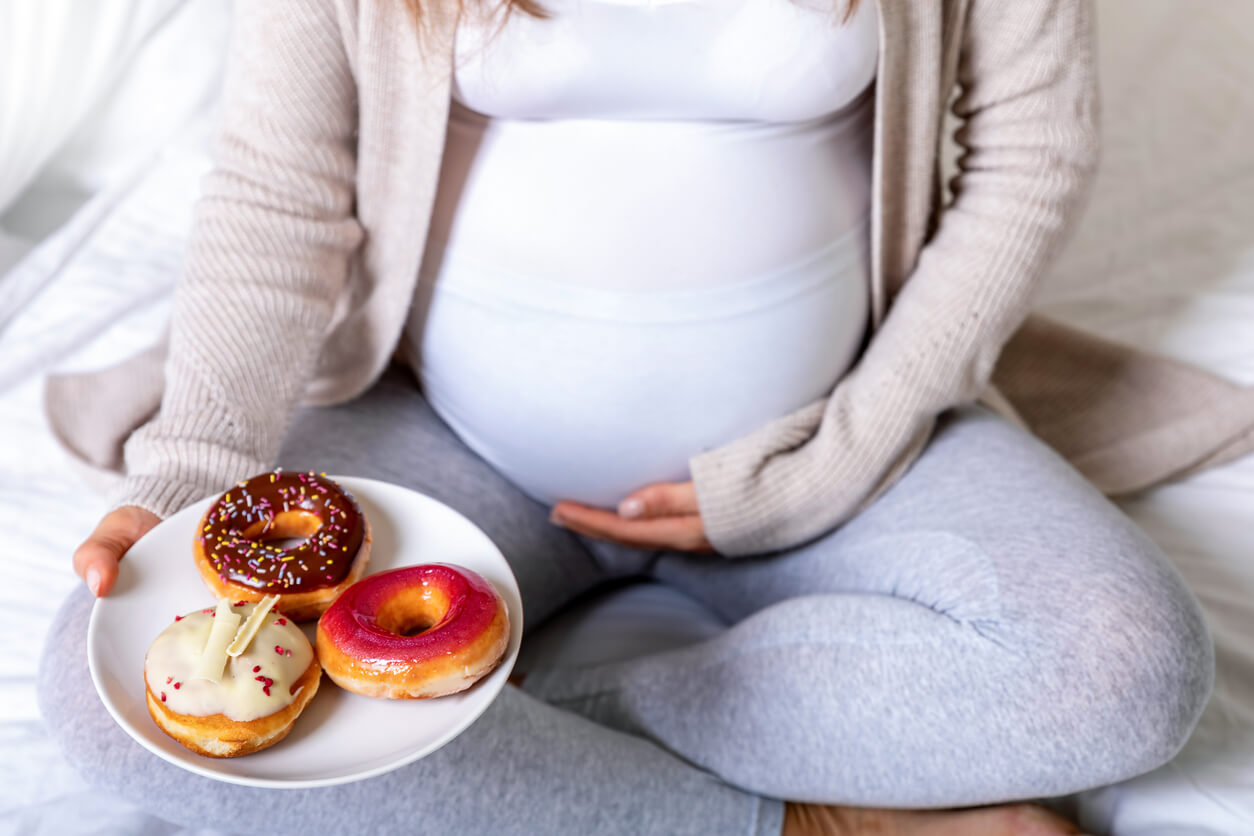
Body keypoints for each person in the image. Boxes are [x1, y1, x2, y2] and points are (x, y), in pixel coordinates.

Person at [39, 0, 1223, 833]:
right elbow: (280, 188)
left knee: (1126, 675)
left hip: (832, 441)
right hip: (458, 440)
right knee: (112, 705)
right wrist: (194, 472)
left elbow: (1033, 155)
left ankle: (527, 711)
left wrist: (833, 460)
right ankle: (802, 819)